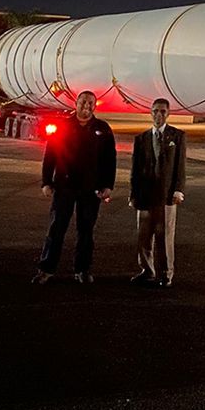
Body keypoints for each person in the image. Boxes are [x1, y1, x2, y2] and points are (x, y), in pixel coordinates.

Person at [33, 90, 116, 284]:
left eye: (90, 103)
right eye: (83, 102)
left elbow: (109, 160)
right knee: (56, 229)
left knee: (86, 231)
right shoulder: (63, 126)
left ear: (95, 106)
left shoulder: (102, 129)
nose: (86, 106)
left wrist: (107, 186)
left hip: (90, 189)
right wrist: (46, 182)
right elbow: (50, 155)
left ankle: (83, 269)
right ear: (76, 104)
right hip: (64, 187)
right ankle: (46, 269)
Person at [128, 98, 186, 288]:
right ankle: (147, 270)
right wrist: (133, 195)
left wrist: (178, 190)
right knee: (144, 235)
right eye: (155, 111)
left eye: (162, 111)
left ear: (168, 113)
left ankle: (166, 274)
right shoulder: (141, 138)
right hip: (145, 195)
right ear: (150, 113)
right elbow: (135, 170)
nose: (158, 115)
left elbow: (180, 167)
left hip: (166, 195)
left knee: (164, 236)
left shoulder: (177, 137)